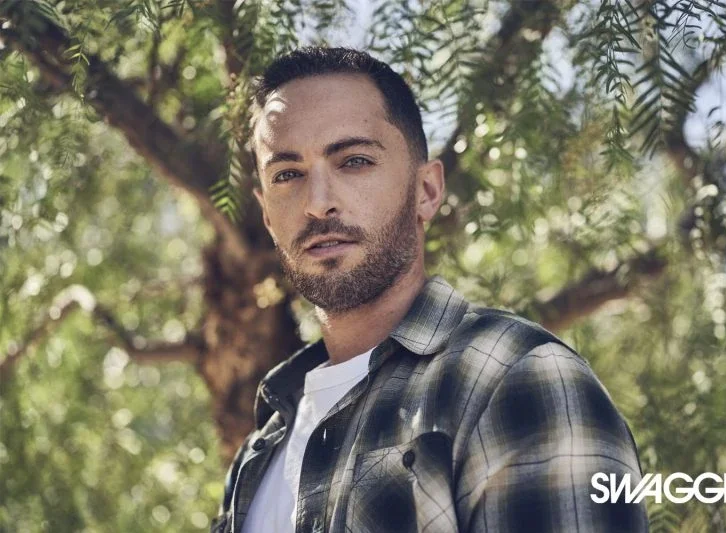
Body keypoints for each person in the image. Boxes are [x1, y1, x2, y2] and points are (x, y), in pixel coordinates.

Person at [211, 47, 648, 533]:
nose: (317, 203)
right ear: (267, 215)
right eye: (287, 174)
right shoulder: (260, 451)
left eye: (354, 161)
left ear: (427, 191)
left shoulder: (516, 376)